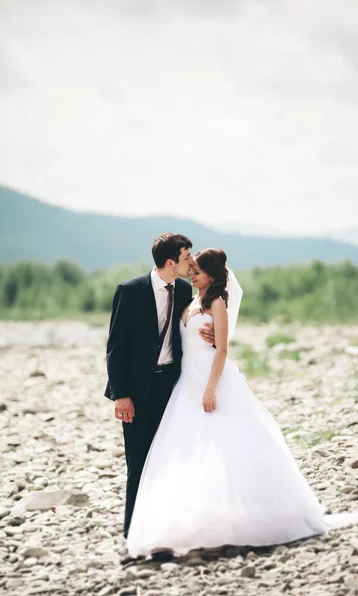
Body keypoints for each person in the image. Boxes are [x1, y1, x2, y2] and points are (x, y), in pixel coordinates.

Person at [126, 248, 358, 557]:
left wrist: (211, 389)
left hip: (211, 379)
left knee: (231, 443)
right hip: (187, 382)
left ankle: (254, 520)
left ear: (212, 275)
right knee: (192, 449)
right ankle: (200, 520)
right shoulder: (190, 299)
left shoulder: (217, 303)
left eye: (198, 270)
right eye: (192, 268)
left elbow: (222, 350)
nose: (193, 273)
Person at [104, 233, 214, 544]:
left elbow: (200, 321)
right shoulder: (129, 291)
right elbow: (115, 347)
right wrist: (121, 395)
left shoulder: (184, 290)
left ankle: (167, 531)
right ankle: (133, 536)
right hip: (137, 392)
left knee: (171, 459)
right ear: (170, 262)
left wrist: (213, 336)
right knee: (138, 463)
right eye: (187, 256)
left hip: (173, 386)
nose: (191, 261)